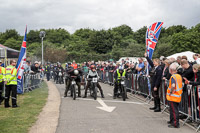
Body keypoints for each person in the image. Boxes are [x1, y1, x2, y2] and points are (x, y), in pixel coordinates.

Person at [166, 62, 183, 128]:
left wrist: (170, 92)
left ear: (171, 70)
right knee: (174, 110)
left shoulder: (173, 76)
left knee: (174, 110)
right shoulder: (179, 76)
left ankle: (175, 124)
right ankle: (172, 121)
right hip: (178, 95)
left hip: (173, 96)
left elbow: (173, 85)